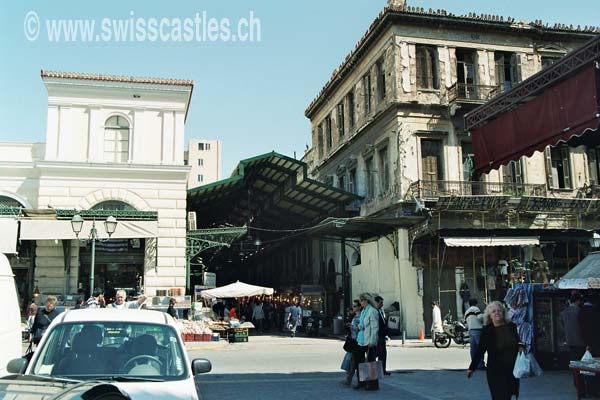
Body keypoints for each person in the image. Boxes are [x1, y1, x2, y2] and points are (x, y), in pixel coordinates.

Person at [467, 301, 523, 400]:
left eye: (499, 311)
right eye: (493, 311)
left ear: (503, 313)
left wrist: (521, 346)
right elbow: (481, 349)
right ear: (490, 316)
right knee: (499, 396)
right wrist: (472, 367)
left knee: (508, 395)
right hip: (495, 370)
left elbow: (518, 341)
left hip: (511, 369)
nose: (497, 313)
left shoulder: (511, 326)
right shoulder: (487, 330)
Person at [354, 293, 380, 391]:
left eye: (362, 300)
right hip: (361, 339)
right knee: (359, 362)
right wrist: (360, 326)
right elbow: (362, 323)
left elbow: (374, 327)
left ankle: (373, 384)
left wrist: (372, 341)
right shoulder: (363, 311)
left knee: (371, 362)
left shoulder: (372, 311)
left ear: (367, 300)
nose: (360, 302)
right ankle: (362, 382)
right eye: (360, 300)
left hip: (369, 340)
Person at [562, 293, 586, 392]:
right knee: (584, 366)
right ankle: (584, 387)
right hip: (581, 342)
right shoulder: (579, 311)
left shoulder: (564, 312)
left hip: (570, 341)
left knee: (575, 366)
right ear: (578, 301)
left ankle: (578, 387)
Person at [342, 299, 362, 386]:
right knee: (351, 360)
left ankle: (350, 379)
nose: (353, 308)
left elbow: (360, 328)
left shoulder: (360, 317)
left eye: (355, 306)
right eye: (353, 306)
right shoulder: (355, 316)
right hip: (353, 340)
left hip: (357, 341)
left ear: (359, 307)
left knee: (353, 360)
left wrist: (353, 327)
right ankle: (349, 378)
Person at [465, 298, 485, 370]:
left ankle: (474, 365)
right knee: (480, 348)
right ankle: (481, 365)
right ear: (475, 303)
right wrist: (485, 316)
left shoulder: (467, 311)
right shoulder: (475, 309)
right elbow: (480, 317)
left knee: (473, 349)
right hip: (478, 330)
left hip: (470, 331)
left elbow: (466, 322)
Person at [374, 295, 391, 375]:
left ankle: (382, 370)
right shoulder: (375, 312)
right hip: (378, 336)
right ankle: (378, 370)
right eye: (380, 302)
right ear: (376, 303)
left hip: (382, 336)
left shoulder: (381, 311)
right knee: (378, 354)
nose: (382, 304)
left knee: (383, 354)